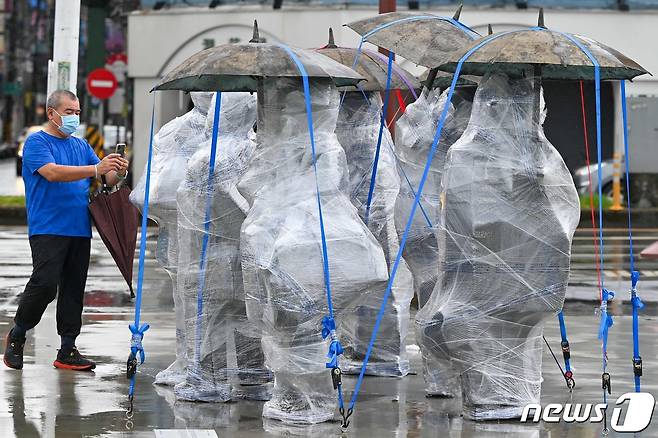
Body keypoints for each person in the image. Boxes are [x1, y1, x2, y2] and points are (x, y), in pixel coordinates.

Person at [3, 90, 129, 371]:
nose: (74, 117)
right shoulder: (37, 142)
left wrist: (117, 169)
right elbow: (52, 172)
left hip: (79, 228)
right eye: (69, 111)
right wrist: (96, 169)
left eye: (77, 112)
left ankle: (68, 349)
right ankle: (19, 333)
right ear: (52, 113)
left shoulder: (81, 145)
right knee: (45, 284)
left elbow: (105, 178)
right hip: (48, 227)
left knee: (74, 289)